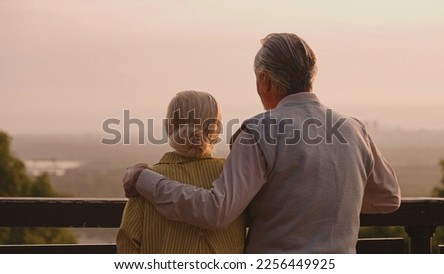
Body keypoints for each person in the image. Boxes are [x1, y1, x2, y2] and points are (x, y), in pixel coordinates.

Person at [123, 33, 401, 253]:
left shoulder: (258, 132)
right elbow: (389, 199)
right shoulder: (353, 129)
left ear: (264, 80)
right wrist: (329, 200)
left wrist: (144, 179)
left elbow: (216, 212)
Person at [116, 90, 246, 253]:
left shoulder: (142, 186)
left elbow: (127, 246)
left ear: (168, 127)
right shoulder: (234, 177)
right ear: (216, 130)